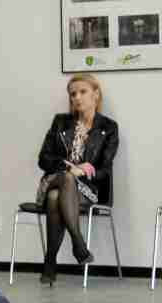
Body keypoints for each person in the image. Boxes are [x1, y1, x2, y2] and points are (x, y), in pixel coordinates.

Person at [33, 72, 119, 286]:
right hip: (54, 179)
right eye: (73, 94)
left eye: (82, 92)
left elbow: (105, 169)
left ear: (96, 94)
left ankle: (50, 262)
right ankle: (78, 243)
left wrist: (84, 172)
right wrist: (70, 167)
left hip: (87, 190)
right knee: (65, 179)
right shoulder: (60, 122)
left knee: (55, 197)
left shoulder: (108, 128)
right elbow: (43, 159)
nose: (77, 97)